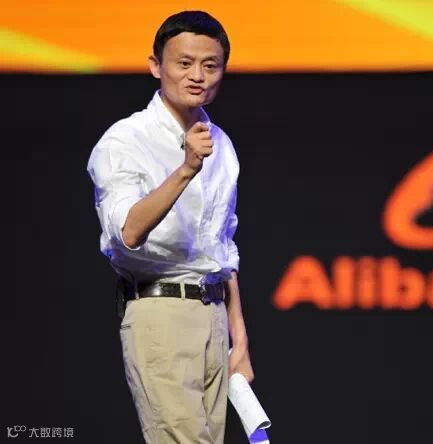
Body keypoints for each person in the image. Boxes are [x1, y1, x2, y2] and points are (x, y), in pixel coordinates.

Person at [87, 10, 253, 444]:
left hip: (213, 314)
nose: (197, 75)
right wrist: (186, 168)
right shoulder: (125, 140)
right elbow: (127, 233)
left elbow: (222, 249)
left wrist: (239, 342)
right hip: (160, 311)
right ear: (155, 66)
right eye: (184, 63)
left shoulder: (222, 144)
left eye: (210, 65)